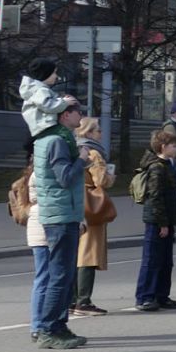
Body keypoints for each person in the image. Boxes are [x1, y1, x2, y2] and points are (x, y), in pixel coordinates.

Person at [30, 97, 89, 348]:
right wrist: (82, 159)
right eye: (78, 112)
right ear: (64, 115)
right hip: (60, 215)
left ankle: (59, 326)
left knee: (64, 276)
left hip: (63, 213)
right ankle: (48, 329)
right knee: (60, 276)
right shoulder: (56, 141)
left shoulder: (54, 138)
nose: (81, 117)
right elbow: (64, 177)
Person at [133, 131, 176, 312]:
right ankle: (145, 297)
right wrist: (162, 223)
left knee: (165, 261)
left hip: (167, 219)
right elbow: (155, 197)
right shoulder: (156, 167)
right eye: (173, 146)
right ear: (163, 147)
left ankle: (162, 296)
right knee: (152, 260)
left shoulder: (167, 164)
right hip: (156, 220)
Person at [71, 116, 115, 317]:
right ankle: (84, 301)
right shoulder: (94, 153)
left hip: (75, 201)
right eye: (98, 130)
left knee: (75, 253)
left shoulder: (73, 148)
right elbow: (101, 181)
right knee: (89, 253)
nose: (101, 133)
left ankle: (72, 299)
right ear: (88, 132)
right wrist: (110, 176)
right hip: (91, 205)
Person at [18, 57, 72, 136]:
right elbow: (48, 106)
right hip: (46, 125)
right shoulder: (40, 90)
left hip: (42, 126)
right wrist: (65, 102)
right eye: (54, 73)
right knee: (67, 136)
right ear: (45, 73)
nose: (56, 76)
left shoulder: (37, 89)